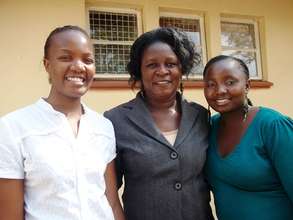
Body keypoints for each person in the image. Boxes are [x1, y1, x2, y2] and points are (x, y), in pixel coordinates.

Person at [0, 25, 124, 220]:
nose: (78, 66)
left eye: (88, 60)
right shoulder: (13, 128)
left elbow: (112, 203)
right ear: (47, 65)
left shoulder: (103, 126)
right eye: (65, 57)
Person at [104, 27, 214, 220]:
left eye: (171, 64)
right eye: (152, 65)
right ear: (139, 70)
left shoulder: (200, 116)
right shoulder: (116, 120)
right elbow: (108, 194)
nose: (162, 71)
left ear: (182, 68)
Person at [203, 55, 293, 220]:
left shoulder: (272, 126)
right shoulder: (209, 127)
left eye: (230, 82)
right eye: (211, 84)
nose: (219, 90)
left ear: (247, 85)